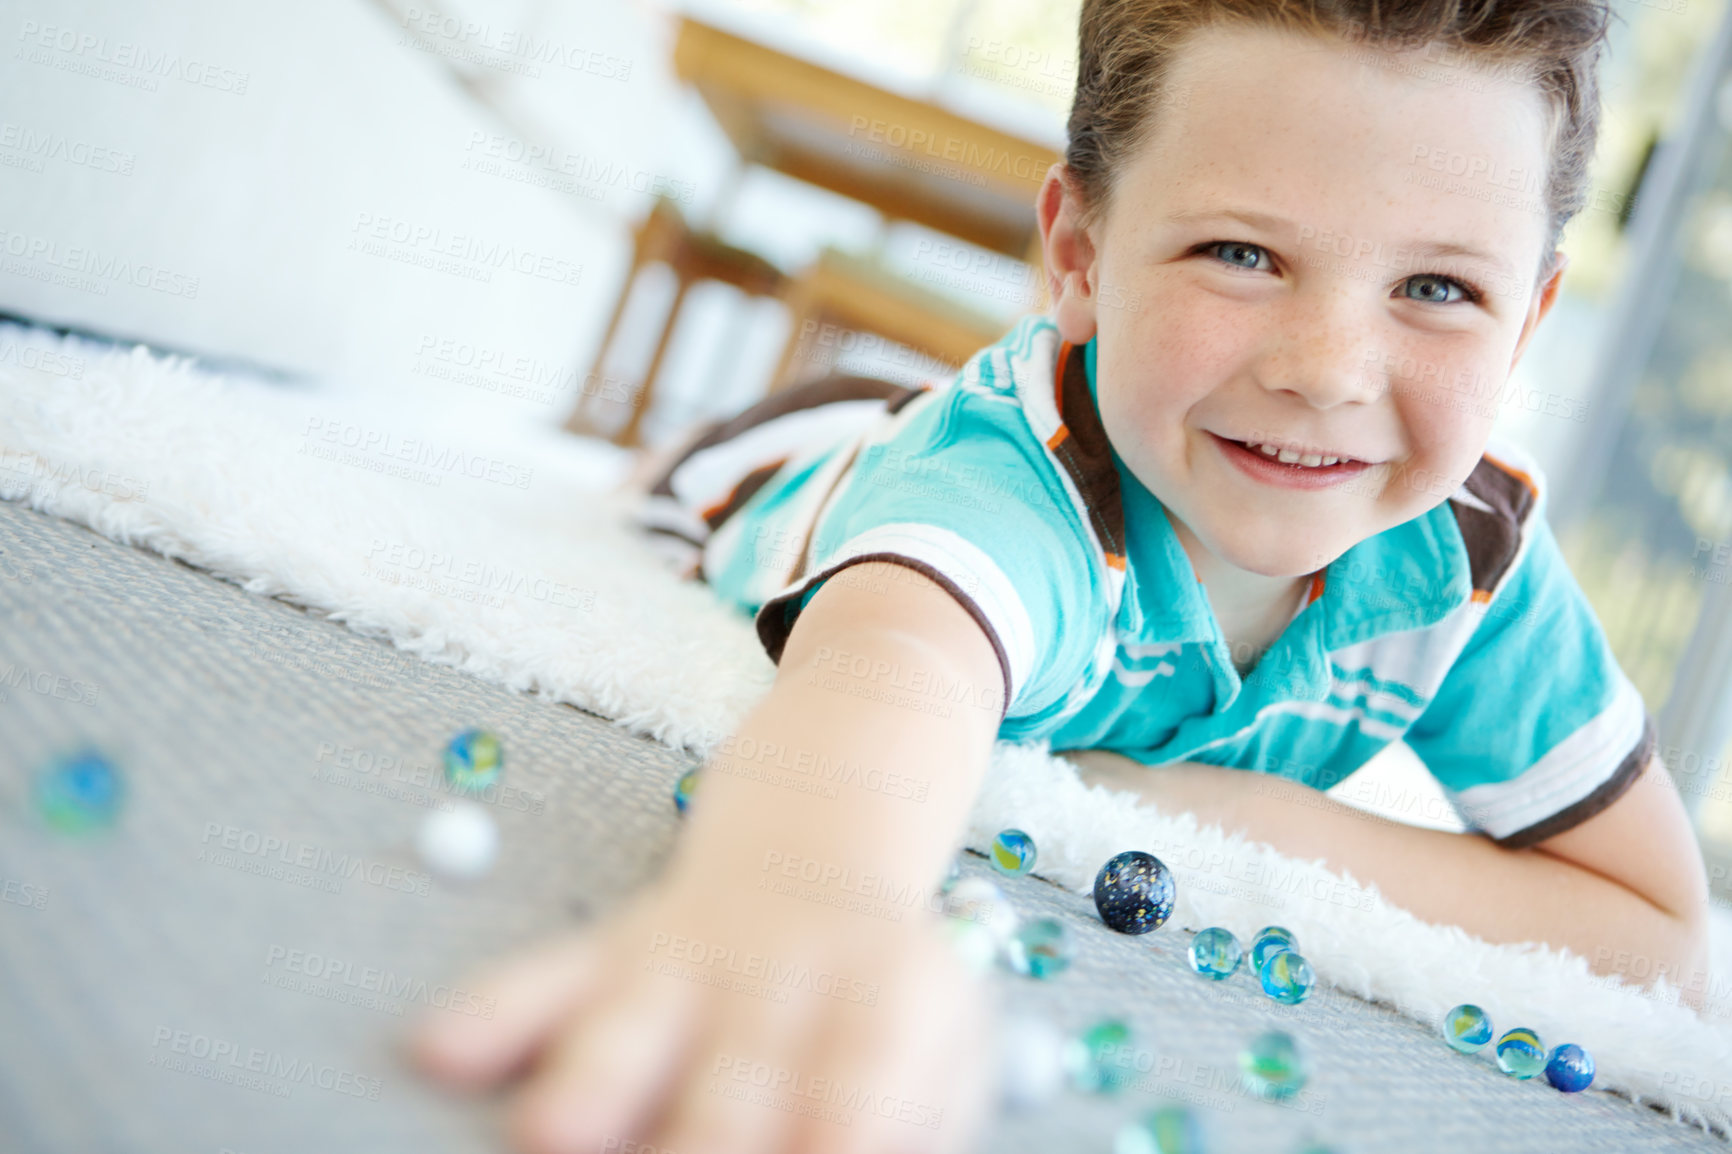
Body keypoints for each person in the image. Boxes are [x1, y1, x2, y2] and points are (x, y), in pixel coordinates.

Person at [414, 2, 1714, 1151]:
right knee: (865, 462)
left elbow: (1661, 935)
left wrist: (1187, 804)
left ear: (1530, 321)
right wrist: (797, 902)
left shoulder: (1474, 558)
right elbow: (888, 682)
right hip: (796, 454)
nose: (1329, 370)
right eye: (1242, 254)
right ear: (1080, 257)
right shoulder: (1010, 496)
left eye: (1436, 286)